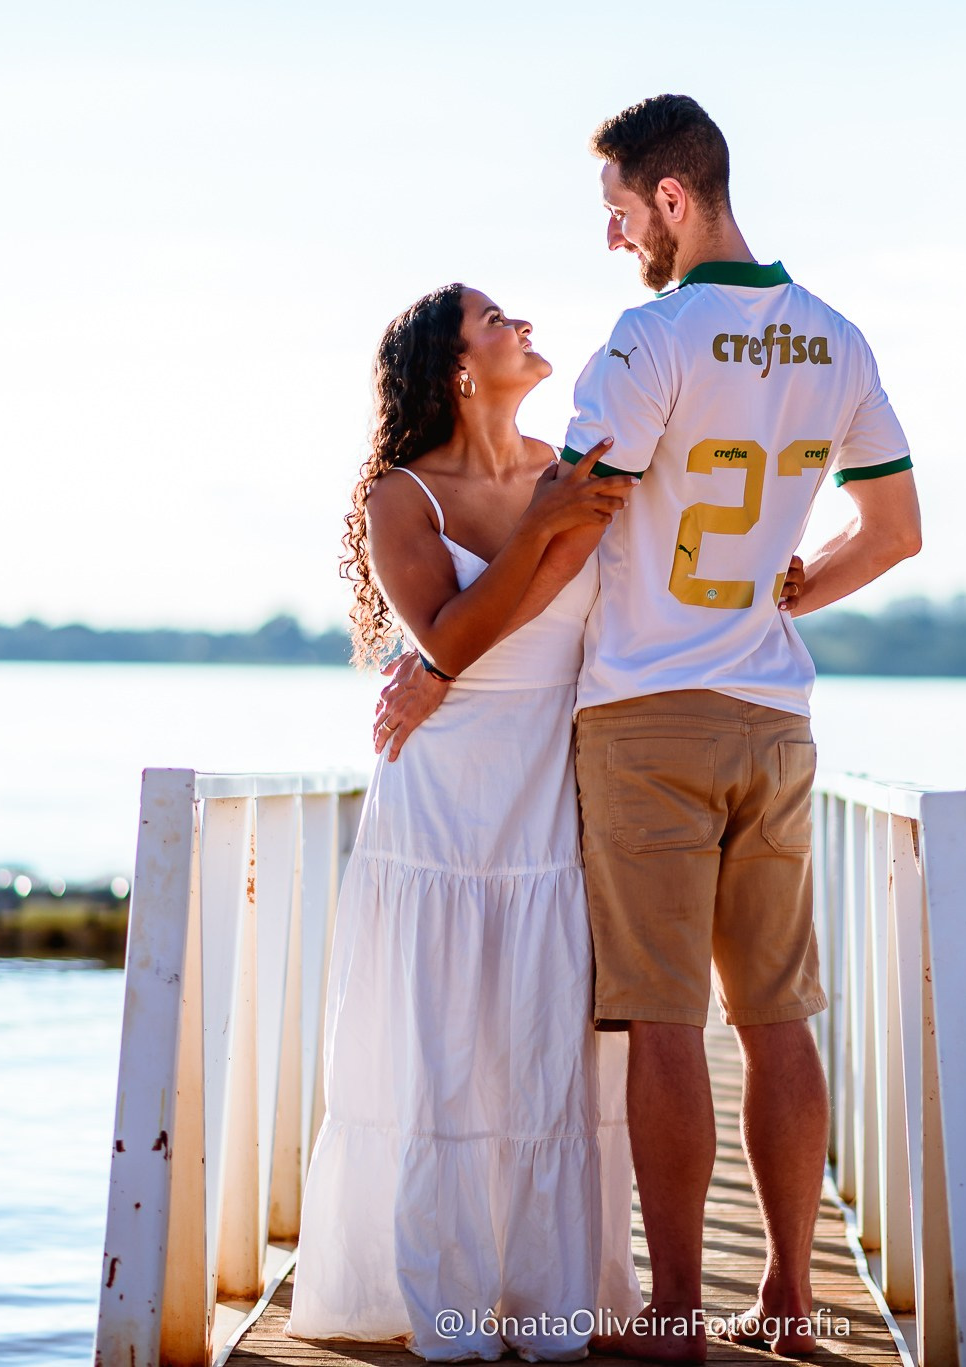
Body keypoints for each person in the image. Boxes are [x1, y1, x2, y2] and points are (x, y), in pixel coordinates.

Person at [376, 95, 924, 1363]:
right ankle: (788, 1299)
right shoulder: (836, 340)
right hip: (773, 712)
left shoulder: (648, 338)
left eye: (622, 213)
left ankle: (675, 1319)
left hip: (644, 718)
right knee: (779, 1014)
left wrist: (433, 650)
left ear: (671, 200)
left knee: (667, 1022)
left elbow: (570, 511)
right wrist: (795, 585)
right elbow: (893, 533)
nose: (618, 241)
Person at [284, 283, 644, 1362]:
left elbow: (486, 625)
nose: (524, 325)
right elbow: (451, 625)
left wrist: (438, 656)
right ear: (453, 365)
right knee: (443, 1046)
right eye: (497, 320)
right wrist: (445, 644)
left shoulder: (569, 465)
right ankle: (443, 1308)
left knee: (540, 1043)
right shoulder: (399, 495)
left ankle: (544, 1302)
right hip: (438, 801)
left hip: (545, 791)